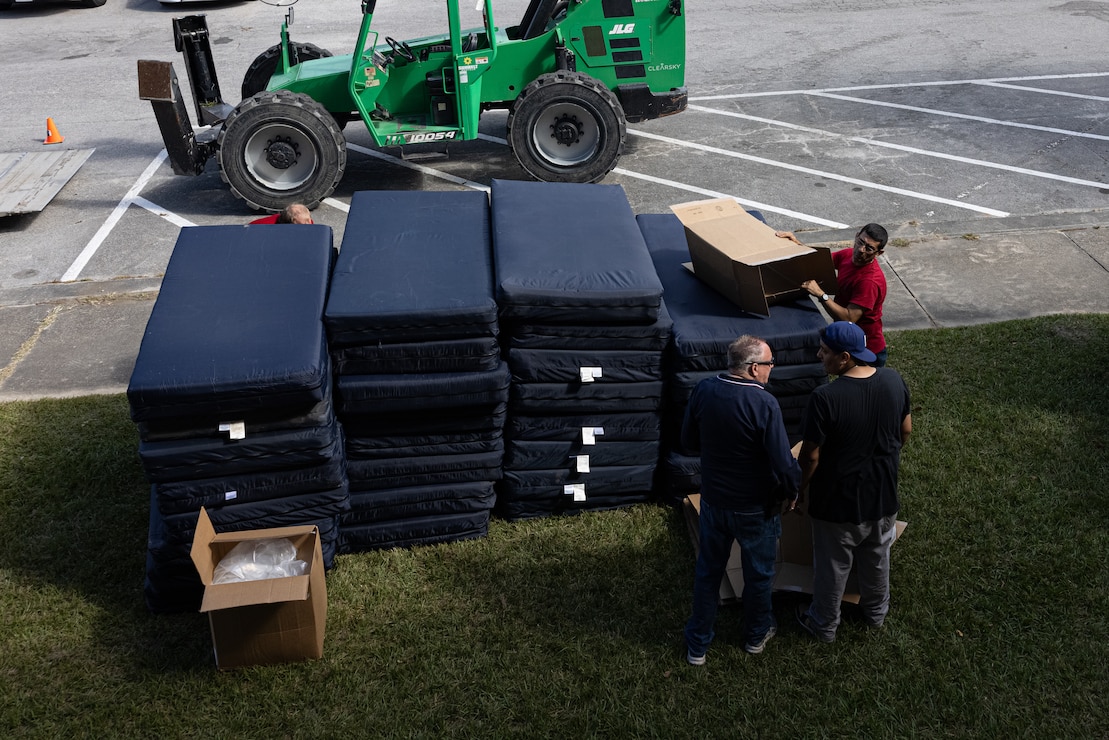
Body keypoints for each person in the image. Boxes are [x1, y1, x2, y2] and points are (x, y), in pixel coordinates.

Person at [682, 335, 801, 664]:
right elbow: (783, 462)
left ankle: (698, 645)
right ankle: (755, 635)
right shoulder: (764, 404)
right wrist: (793, 490)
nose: (771, 370)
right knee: (759, 575)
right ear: (752, 368)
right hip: (755, 509)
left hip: (715, 502)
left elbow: (688, 440)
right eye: (769, 364)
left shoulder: (705, 390)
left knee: (708, 573)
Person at [794, 321, 912, 643]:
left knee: (833, 566)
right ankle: (876, 613)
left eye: (825, 351)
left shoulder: (825, 398)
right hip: (883, 497)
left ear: (845, 357)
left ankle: (823, 625)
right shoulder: (893, 380)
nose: (820, 355)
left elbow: (812, 457)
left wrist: (798, 490)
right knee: (877, 555)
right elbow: (906, 430)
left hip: (837, 504)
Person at [776, 224, 890, 367]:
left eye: (869, 248)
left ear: (879, 253)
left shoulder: (869, 282)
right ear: (856, 236)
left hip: (865, 350)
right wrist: (797, 243)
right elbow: (819, 261)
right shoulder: (848, 254)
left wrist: (821, 294)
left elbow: (849, 318)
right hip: (847, 342)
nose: (861, 250)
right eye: (861, 242)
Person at [249, 203, 313, 225]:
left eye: (308, 219)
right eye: (305, 223)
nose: (309, 223)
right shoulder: (263, 225)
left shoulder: (308, 222)